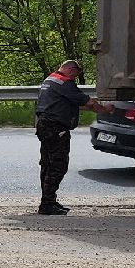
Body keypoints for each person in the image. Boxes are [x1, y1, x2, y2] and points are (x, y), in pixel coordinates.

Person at [34, 59, 108, 215]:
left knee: (47, 164)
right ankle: (47, 204)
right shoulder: (65, 83)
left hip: (44, 125)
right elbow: (87, 101)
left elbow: (71, 104)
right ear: (70, 69)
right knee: (58, 165)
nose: (75, 77)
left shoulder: (50, 80)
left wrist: (92, 108)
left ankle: (49, 200)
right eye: (75, 74)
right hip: (56, 128)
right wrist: (105, 109)